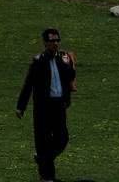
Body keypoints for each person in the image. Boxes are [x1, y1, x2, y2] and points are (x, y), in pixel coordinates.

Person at [16, 28, 76, 182]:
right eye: (52, 41)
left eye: (57, 40)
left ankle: (42, 159)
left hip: (59, 105)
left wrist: (69, 63)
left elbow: (70, 77)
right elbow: (28, 84)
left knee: (62, 138)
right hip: (43, 108)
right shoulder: (38, 61)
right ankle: (47, 177)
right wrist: (21, 106)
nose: (55, 44)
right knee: (43, 141)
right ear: (45, 43)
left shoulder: (63, 58)